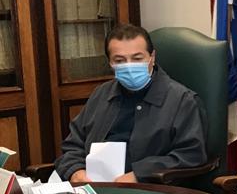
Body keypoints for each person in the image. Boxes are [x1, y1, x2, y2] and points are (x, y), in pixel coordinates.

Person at [56, 23, 207, 184]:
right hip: (93, 187)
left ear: (152, 57)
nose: (129, 66)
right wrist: (75, 171)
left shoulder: (183, 100)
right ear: (110, 63)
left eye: (137, 58)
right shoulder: (101, 94)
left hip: (149, 190)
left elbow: (192, 155)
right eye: (119, 60)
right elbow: (73, 145)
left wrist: (139, 175)